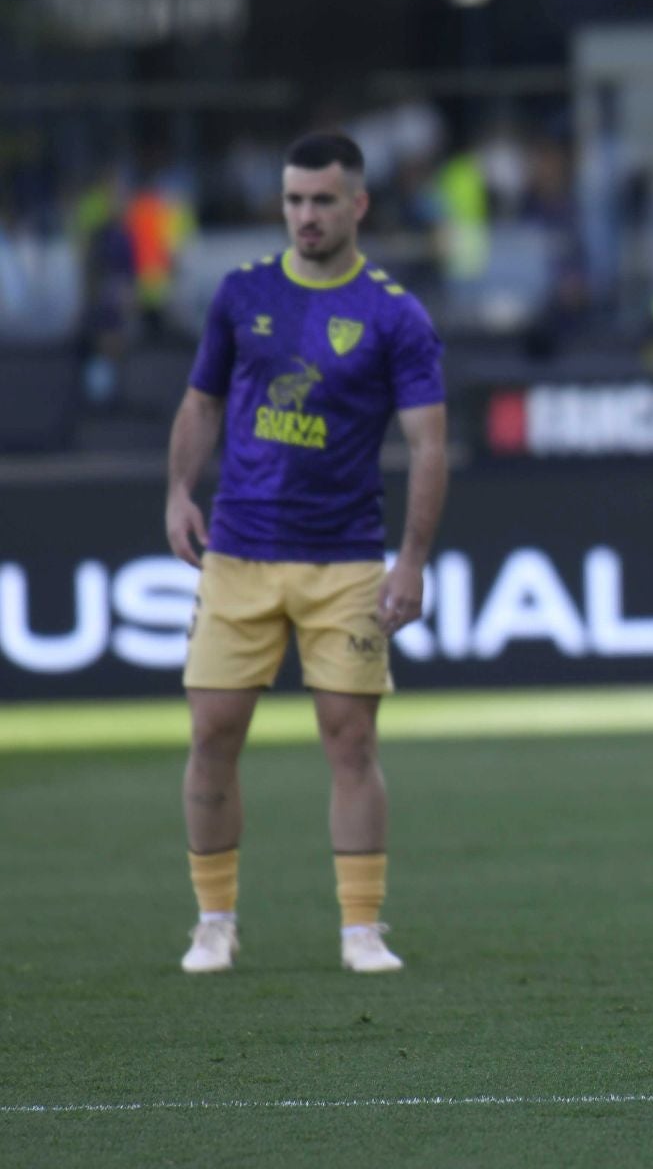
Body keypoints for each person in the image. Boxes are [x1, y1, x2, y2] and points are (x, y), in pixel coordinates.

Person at [165, 132, 448, 976]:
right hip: (239, 551)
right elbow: (202, 402)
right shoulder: (241, 292)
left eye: (323, 200)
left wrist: (413, 559)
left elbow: (429, 446)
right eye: (294, 200)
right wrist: (179, 491)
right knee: (213, 733)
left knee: (349, 740)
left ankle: (362, 928)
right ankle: (213, 921)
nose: (306, 216)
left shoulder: (396, 313)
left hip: (346, 561)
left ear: (357, 204)